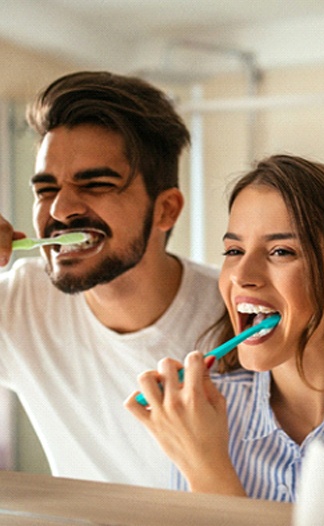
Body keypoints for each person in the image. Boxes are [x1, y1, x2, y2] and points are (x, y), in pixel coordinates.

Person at [0, 71, 224, 488]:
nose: (61, 209)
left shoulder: (235, 318)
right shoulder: (23, 301)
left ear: (166, 211)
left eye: (96, 184)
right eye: (46, 190)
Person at [125, 154, 324, 502]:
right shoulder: (201, 416)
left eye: (280, 251)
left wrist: (208, 470)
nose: (242, 276)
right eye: (234, 250)